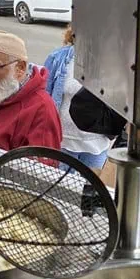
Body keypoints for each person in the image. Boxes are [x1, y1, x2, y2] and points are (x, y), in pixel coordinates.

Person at [44, 24, 116, 171]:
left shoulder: (114, 64)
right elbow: (44, 98)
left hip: (96, 145)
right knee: (60, 191)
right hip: (62, 143)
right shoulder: (58, 58)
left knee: (90, 191)